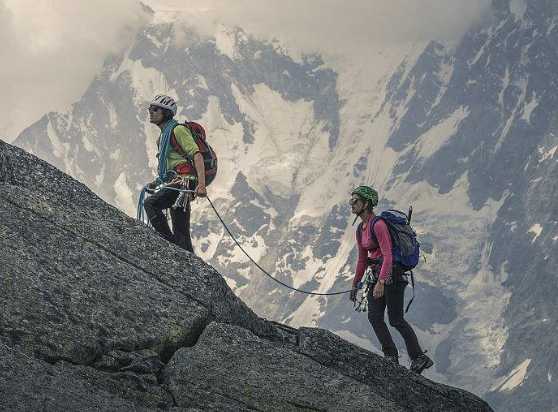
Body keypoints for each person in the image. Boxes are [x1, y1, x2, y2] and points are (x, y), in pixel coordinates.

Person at [349, 185, 433, 374]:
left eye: (355, 201)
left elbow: (387, 255)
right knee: (374, 317)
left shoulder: (377, 225)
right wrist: (355, 284)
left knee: (396, 319)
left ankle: (418, 357)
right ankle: (391, 356)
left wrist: (381, 282)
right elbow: (363, 259)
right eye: (351, 201)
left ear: (367, 203)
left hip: (392, 275)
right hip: (376, 274)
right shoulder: (360, 229)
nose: (352, 204)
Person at [143, 94, 207, 252]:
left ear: (166, 113)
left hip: (184, 181)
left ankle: (171, 248)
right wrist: (156, 183)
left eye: (155, 109)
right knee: (181, 232)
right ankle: (183, 255)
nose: (151, 112)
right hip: (177, 182)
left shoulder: (178, 130)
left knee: (151, 203)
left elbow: (196, 154)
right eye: (150, 109)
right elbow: (168, 168)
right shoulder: (162, 138)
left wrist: (201, 185)